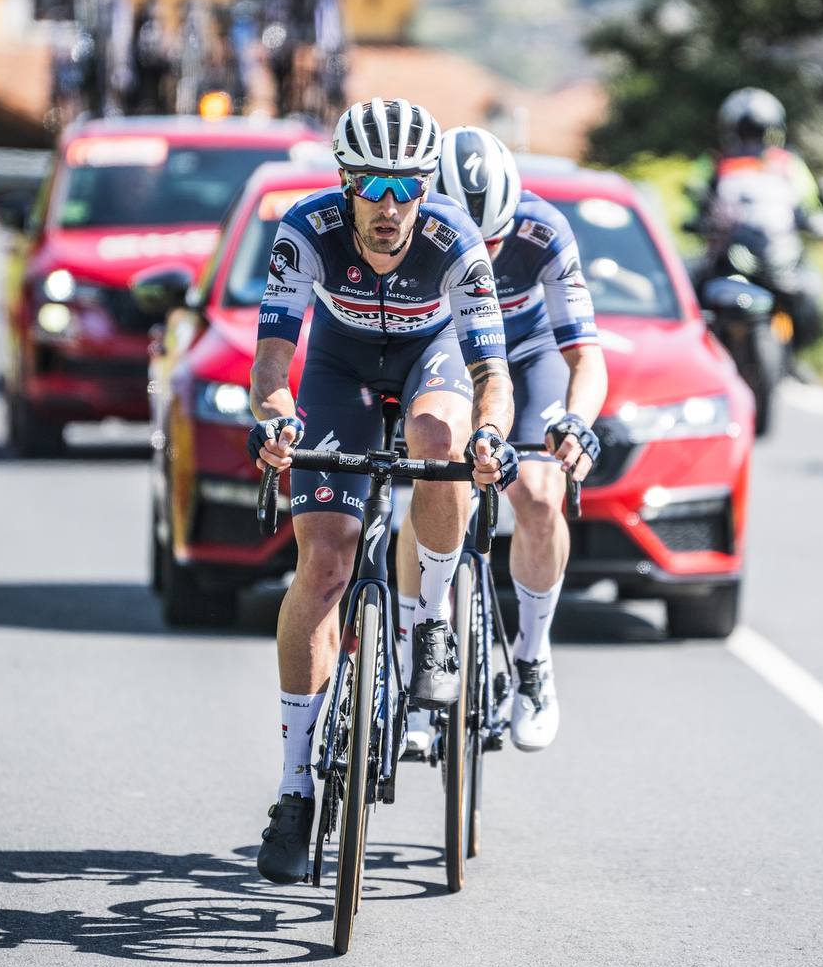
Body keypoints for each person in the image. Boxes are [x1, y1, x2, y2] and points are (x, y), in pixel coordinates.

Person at [248, 97, 518, 885]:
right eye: (372, 186)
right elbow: (272, 365)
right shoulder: (307, 230)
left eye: (408, 187)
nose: (391, 207)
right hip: (338, 368)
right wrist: (274, 422)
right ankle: (295, 791)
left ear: (427, 186)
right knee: (324, 567)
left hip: (428, 362)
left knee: (441, 443)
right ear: (344, 182)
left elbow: (490, 377)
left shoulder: (454, 241)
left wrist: (490, 439)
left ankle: (428, 619)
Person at [397, 125, 607, 755]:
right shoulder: (412, 223)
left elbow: (584, 356)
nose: (479, 256)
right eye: (468, 240)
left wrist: (576, 423)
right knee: (434, 472)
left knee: (541, 492)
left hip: (525, 348)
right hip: (448, 349)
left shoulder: (544, 231)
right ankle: (416, 652)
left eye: (492, 240)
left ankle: (533, 658)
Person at [687, 88, 823, 347]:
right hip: (729, 255)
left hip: (778, 252)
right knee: (689, 287)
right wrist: (697, 221)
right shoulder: (716, 162)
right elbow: (696, 199)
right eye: (746, 131)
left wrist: (813, 220)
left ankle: (797, 353)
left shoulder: (788, 164)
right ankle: (697, 349)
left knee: (811, 289)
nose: (751, 139)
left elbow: (809, 203)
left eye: (756, 131)